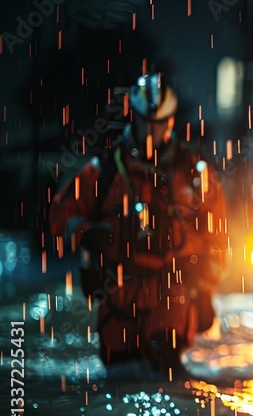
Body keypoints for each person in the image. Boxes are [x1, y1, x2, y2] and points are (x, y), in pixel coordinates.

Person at [49, 73, 228, 380]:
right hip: (119, 300)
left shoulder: (196, 176)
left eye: (160, 122)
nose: (153, 130)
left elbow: (220, 237)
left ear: (171, 121)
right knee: (121, 386)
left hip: (172, 298)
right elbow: (58, 220)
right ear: (134, 116)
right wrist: (91, 235)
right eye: (146, 121)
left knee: (171, 384)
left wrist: (205, 286)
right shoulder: (103, 171)